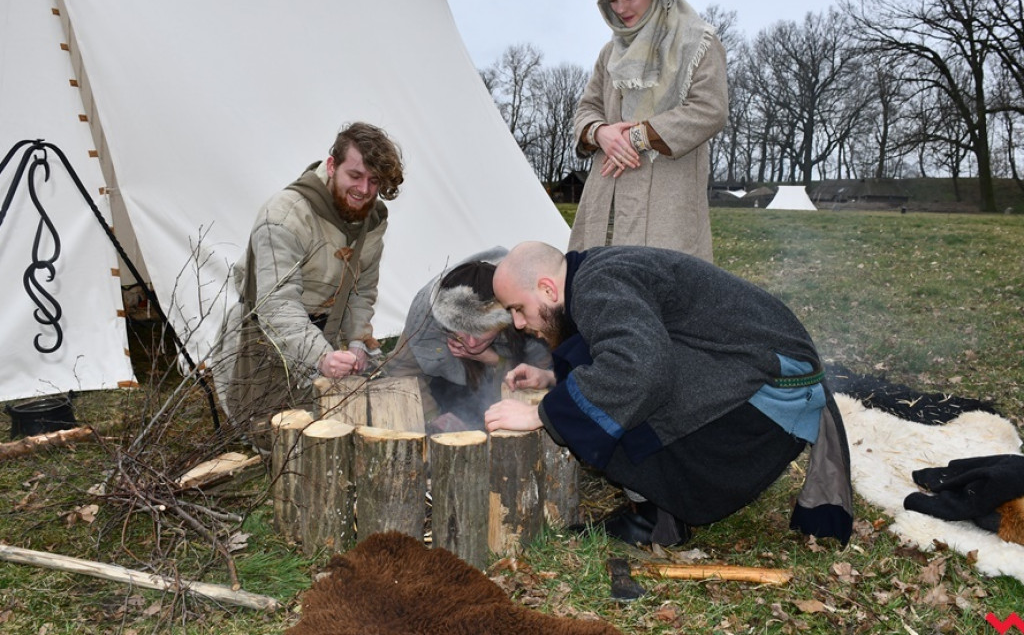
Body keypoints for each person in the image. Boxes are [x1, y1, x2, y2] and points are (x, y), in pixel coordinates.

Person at [483, 241, 853, 548]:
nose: (517, 323)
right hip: (765, 378)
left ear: (548, 289)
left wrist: (543, 413)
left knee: (627, 382)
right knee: (605, 377)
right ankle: (658, 512)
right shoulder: (593, 276)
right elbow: (624, 345)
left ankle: (652, 522)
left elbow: (642, 368)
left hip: (771, 402)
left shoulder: (597, 283)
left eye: (518, 308)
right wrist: (551, 380)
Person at [213, 122, 404, 448]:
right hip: (266, 334)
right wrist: (321, 357)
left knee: (363, 424)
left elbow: (361, 290)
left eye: (374, 181)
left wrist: (357, 342)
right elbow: (277, 305)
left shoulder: (371, 220)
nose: (364, 189)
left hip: (328, 327)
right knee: (276, 439)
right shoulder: (285, 215)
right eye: (355, 176)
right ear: (331, 166)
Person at [569, 0, 728, 261]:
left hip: (666, 207)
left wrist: (639, 136)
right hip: (605, 202)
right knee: (596, 290)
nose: (620, 8)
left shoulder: (698, 43)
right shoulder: (610, 53)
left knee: (663, 296)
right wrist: (602, 133)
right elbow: (587, 108)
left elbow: (710, 110)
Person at [384, 248, 551, 434]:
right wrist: (432, 415)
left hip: (502, 395)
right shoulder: (426, 317)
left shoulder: (526, 312)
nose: (471, 343)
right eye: (460, 332)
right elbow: (402, 370)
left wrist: (494, 360)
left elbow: (542, 374)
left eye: (481, 332)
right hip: (443, 387)